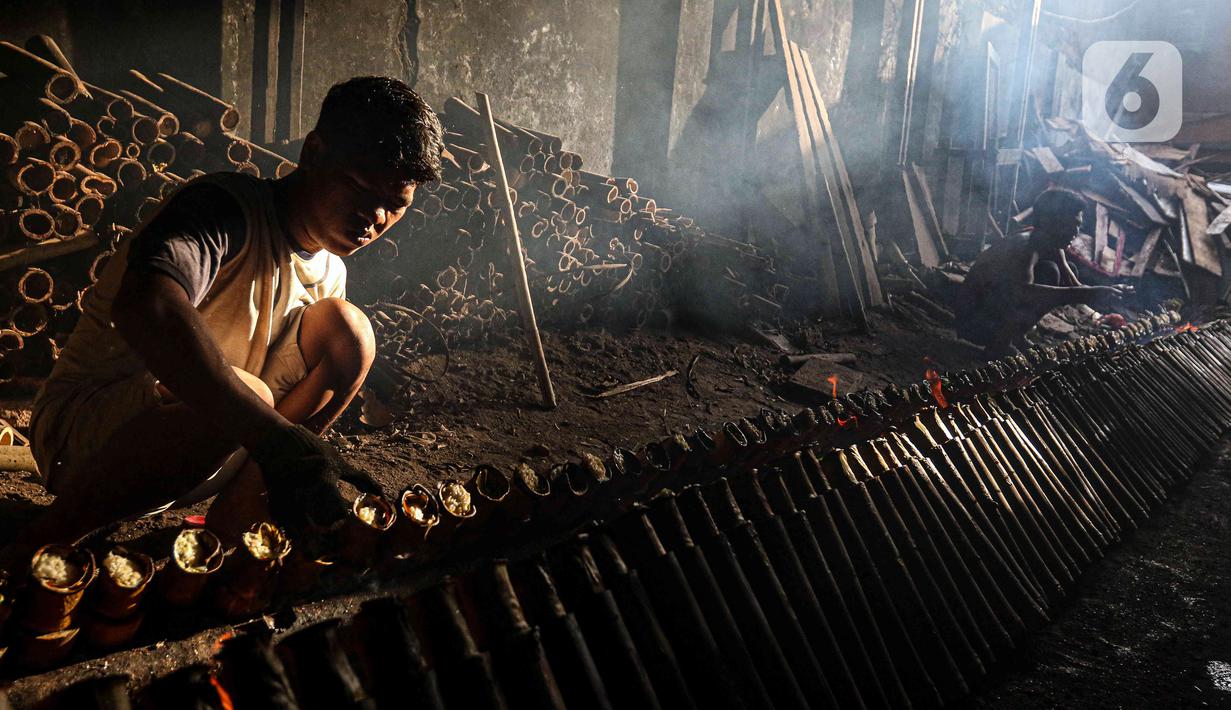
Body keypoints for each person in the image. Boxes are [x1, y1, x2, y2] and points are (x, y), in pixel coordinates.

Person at [11, 76, 443, 560]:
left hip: (203, 459)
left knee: (351, 333)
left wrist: (281, 449)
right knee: (249, 392)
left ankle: (234, 530)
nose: (375, 217)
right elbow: (144, 307)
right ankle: (38, 546)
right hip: (84, 445)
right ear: (314, 153)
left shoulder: (330, 273)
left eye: (395, 205)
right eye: (360, 188)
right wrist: (277, 439)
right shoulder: (224, 209)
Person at [955, 187, 1124, 357]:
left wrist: (1102, 303)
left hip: (990, 309)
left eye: (1078, 225)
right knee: (1050, 273)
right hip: (974, 322)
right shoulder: (1025, 248)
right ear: (1050, 221)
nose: (1076, 232)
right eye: (1071, 224)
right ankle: (998, 345)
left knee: (1064, 271)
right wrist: (1087, 293)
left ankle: (1015, 336)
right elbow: (1024, 293)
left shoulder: (1050, 242)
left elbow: (1076, 286)